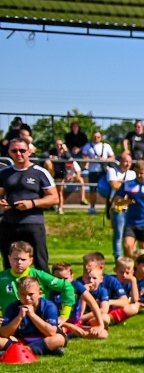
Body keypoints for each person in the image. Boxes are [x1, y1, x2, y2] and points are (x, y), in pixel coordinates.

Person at [0, 137, 59, 270]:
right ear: (9, 152)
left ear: (29, 151)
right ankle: (11, 290)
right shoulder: (4, 173)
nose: (19, 154)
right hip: (8, 223)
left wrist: (32, 203)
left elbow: (54, 198)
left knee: (40, 263)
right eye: (14, 151)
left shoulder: (40, 172)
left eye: (22, 150)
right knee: (9, 264)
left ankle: (43, 290)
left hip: (33, 223)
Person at [0, 275, 65, 356]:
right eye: (23, 294)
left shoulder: (49, 306)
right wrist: (19, 317)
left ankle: (22, 351)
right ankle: (44, 350)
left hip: (43, 338)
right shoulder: (12, 307)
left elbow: (51, 332)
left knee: (59, 339)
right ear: (18, 294)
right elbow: (4, 334)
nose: (27, 298)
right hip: (19, 340)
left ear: (40, 293)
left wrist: (32, 315)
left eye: (31, 294)